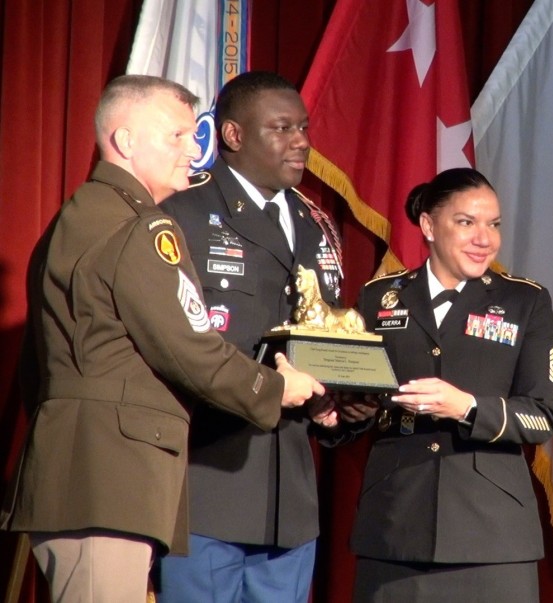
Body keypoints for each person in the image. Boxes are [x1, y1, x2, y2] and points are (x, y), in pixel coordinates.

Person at [0, 74, 325, 603]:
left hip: (80, 472)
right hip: (111, 481)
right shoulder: (140, 228)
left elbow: (38, 367)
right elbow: (189, 347)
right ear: (126, 142)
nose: (194, 151)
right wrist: (274, 388)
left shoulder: (76, 218)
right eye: (176, 136)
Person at [155, 71, 345, 603]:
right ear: (234, 136)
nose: (302, 140)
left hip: (290, 498)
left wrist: (343, 402)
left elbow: (324, 339)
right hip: (209, 482)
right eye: (282, 127)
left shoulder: (317, 226)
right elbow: (169, 346)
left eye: (303, 127)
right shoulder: (181, 214)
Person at [349, 167, 553, 602]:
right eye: (466, 222)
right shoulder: (379, 298)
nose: (484, 238)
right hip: (395, 528)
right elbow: (350, 403)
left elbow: (542, 414)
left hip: (493, 536)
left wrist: (466, 406)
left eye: (493, 224)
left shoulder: (525, 301)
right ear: (428, 225)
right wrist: (350, 413)